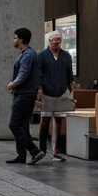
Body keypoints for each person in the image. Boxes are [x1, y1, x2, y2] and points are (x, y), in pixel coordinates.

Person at [5, 28, 45, 165]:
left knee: (14, 124)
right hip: (26, 94)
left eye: (15, 38)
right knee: (22, 125)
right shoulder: (27, 53)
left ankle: (34, 151)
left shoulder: (28, 55)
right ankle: (21, 155)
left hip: (24, 94)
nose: (14, 40)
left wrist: (13, 84)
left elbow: (24, 73)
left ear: (21, 40)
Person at [36, 30, 74, 162]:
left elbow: (69, 73)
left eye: (59, 39)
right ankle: (41, 150)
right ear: (49, 41)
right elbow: (38, 73)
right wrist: (39, 88)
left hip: (61, 94)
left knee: (59, 121)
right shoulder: (41, 56)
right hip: (46, 94)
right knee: (44, 121)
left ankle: (56, 151)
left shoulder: (66, 56)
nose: (57, 42)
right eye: (54, 39)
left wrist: (70, 86)